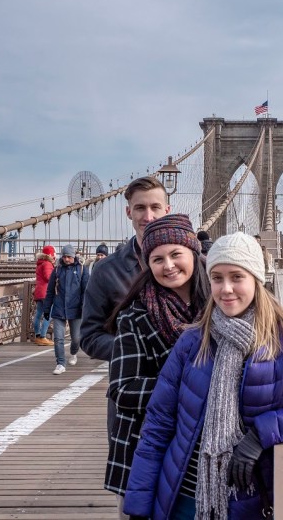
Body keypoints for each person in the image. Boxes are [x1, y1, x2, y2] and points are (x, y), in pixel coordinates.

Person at [124, 232, 283, 519]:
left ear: (256, 279)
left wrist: (260, 434)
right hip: (180, 498)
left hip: (247, 501)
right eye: (217, 278)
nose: (226, 289)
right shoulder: (193, 340)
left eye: (237, 277)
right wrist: (138, 507)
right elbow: (157, 426)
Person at [103, 214, 210, 517]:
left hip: (202, 448)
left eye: (176, 254)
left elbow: (266, 354)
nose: (168, 265)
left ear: (193, 253)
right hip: (146, 446)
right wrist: (191, 390)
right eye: (157, 259)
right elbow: (122, 390)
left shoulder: (219, 310)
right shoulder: (135, 316)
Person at [81, 177, 171, 432]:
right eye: (140, 208)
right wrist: (133, 350)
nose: (148, 216)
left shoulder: (194, 266)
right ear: (128, 212)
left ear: (167, 210)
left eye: (155, 207)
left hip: (185, 394)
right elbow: (89, 336)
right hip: (129, 393)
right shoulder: (106, 270)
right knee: (129, 469)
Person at [45, 244, 89, 375]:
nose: (66, 259)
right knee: (58, 338)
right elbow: (50, 291)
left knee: (76, 338)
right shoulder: (57, 270)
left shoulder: (82, 269)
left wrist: (85, 306)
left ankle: (73, 353)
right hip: (59, 307)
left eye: (69, 257)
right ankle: (60, 363)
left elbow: (86, 290)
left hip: (76, 308)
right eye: (64, 257)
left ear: (73, 256)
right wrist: (47, 309)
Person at [33, 246, 55, 345]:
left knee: (38, 314)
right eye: (53, 254)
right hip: (46, 292)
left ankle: (37, 336)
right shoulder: (47, 264)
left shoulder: (40, 263)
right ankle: (43, 336)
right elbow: (48, 277)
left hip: (39, 292)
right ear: (50, 254)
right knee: (48, 314)